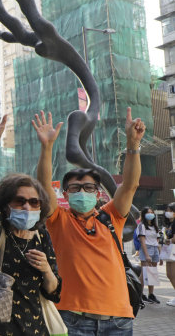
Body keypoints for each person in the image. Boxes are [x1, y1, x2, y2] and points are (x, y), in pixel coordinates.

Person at [36, 108, 145, 335]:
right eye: (75, 188)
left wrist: (132, 145)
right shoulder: (58, 220)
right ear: (65, 195)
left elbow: (130, 184)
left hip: (118, 320)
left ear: (98, 194)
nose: (82, 192)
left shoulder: (111, 216)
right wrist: (47, 147)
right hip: (72, 319)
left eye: (89, 188)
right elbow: (43, 188)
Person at [0, 103, 61, 336]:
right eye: (19, 200)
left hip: (35, 330)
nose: (27, 206)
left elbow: (54, 290)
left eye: (34, 202)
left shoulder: (41, 234)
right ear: (5, 204)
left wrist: (46, 271)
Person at [138, 206, 161, 304]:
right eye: (148, 212)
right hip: (146, 248)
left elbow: (158, 240)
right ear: (144, 214)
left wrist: (160, 254)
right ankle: (139, 295)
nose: (150, 214)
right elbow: (142, 241)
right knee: (144, 273)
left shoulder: (155, 226)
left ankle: (151, 294)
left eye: (152, 212)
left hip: (155, 249)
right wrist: (147, 255)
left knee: (152, 272)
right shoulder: (142, 225)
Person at [163, 202, 175, 306]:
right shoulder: (169, 224)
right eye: (167, 210)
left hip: (173, 250)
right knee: (169, 275)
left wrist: (169, 241)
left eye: (170, 210)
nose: (168, 212)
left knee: (173, 274)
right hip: (169, 251)